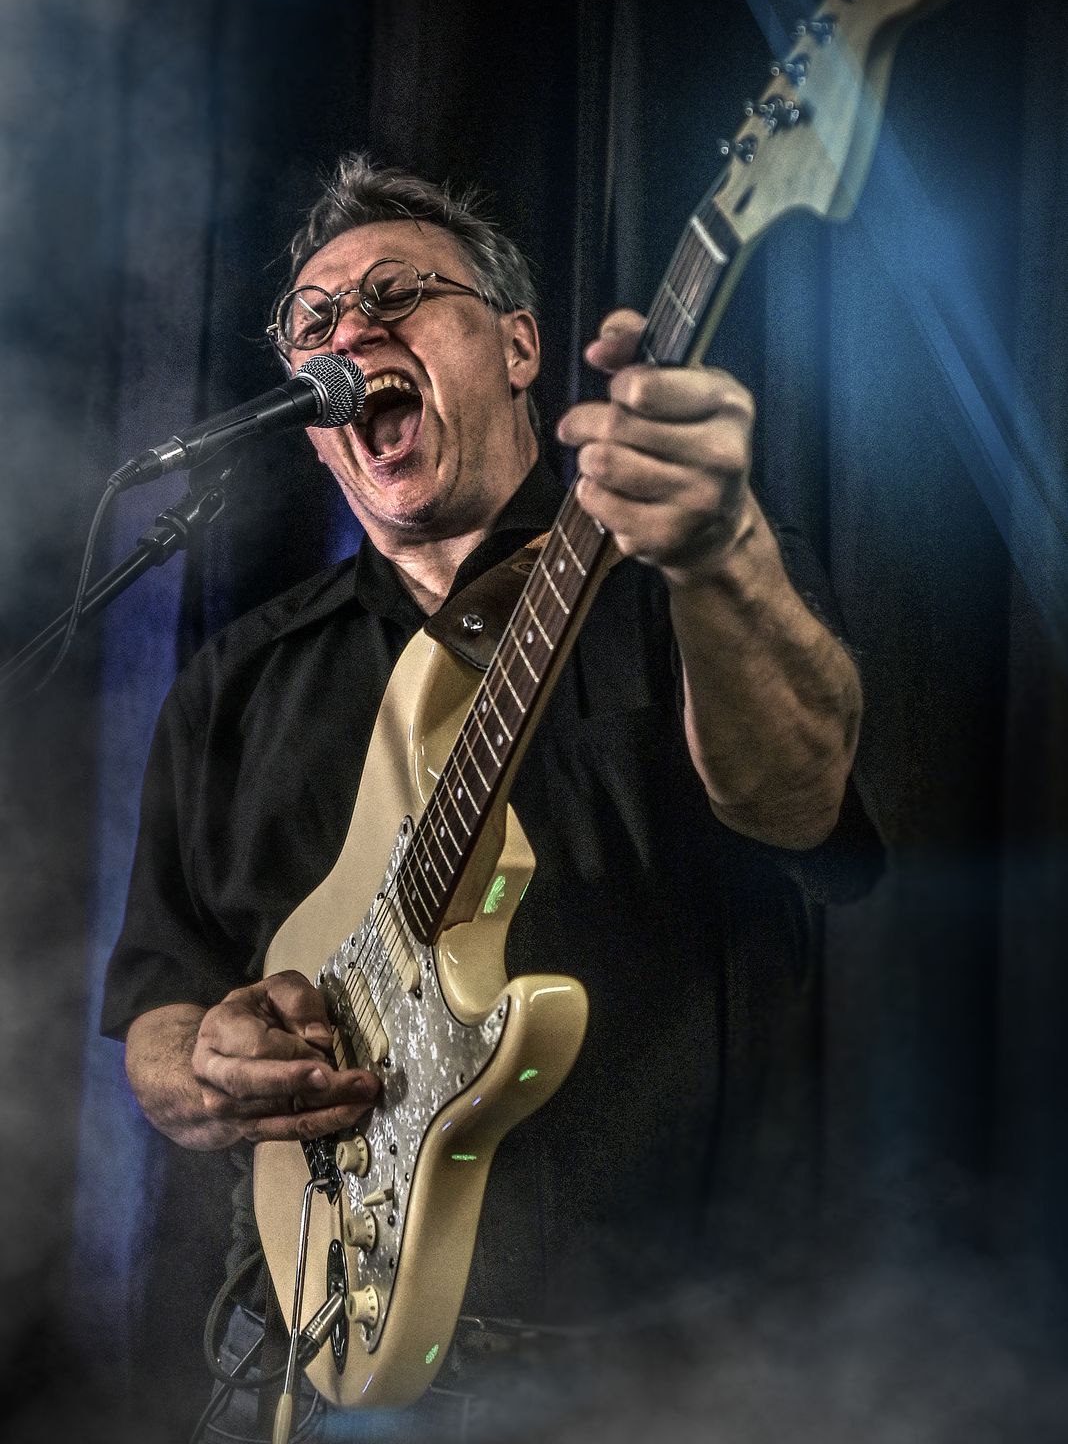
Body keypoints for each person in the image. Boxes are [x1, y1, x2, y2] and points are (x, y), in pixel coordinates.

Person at [102, 154, 881, 1441]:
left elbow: (800, 804)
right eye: (314, 321)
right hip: (303, 1363)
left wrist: (724, 554)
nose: (350, 334)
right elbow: (155, 1009)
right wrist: (207, 1063)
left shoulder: (695, 580)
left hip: (646, 1381)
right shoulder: (236, 682)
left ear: (518, 346)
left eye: (398, 295)